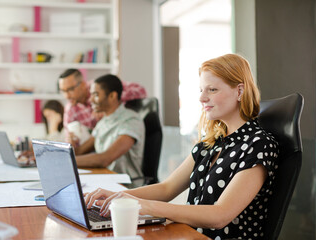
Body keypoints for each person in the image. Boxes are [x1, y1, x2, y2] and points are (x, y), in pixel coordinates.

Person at [84, 54, 279, 239]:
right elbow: (167, 188)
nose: (202, 98)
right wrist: (119, 196)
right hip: (189, 235)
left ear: (239, 91)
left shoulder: (259, 145)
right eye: (201, 90)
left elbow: (220, 215)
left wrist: (146, 206)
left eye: (212, 90)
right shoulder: (210, 142)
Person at [74, 74, 145, 183]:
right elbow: (81, 151)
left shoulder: (131, 121)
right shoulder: (102, 123)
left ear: (112, 96)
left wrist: (65, 161)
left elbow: (105, 159)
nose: (91, 100)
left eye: (96, 95)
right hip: (105, 180)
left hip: (126, 186)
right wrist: (73, 144)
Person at [58, 69, 147, 135]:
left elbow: (140, 90)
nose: (66, 96)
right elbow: (69, 137)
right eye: (63, 91)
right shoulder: (71, 107)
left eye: (70, 89)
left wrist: (108, 103)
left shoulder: (99, 85)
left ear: (83, 84)